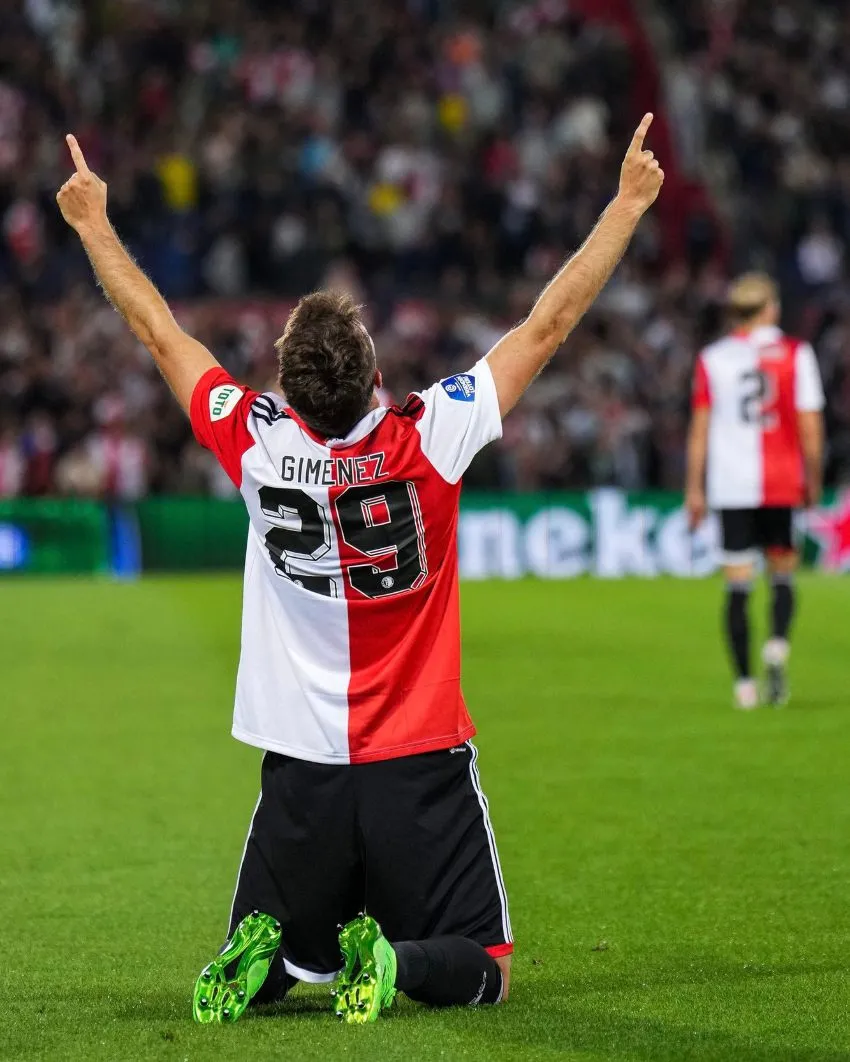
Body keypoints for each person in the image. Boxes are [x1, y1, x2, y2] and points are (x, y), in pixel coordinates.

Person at [56, 117, 663, 1024]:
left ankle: (263, 966)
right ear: (374, 370)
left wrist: (94, 225)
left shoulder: (255, 441)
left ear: (287, 388)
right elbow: (551, 324)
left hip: (300, 769)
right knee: (487, 967)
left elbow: (157, 331)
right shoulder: (433, 435)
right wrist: (625, 205)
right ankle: (399, 961)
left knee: (291, 939)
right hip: (416, 758)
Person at [685, 274, 825, 710]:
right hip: (782, 482)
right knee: (783, 573)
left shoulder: (713, 359)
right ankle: (778, 645)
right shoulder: (797, 354)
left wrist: (694, 488)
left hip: (730, 485)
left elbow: (700, 430)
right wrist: (814, 478)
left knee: (738, 588)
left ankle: (744, 684)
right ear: (770, 308)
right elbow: (810, 427)